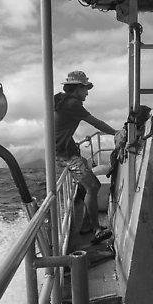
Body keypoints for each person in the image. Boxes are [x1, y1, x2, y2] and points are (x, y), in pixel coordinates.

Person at [54, 70, 118, 243]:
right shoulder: (72, 104)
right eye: (85, 88)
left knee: (86, 187)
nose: (87, 92)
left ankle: (85, 225)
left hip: (64, 151)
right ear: (77, 88)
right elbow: (96, 122)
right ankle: (96, 229)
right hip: (64, 154)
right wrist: (116, 133)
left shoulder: (61, 100)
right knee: (93, 186)